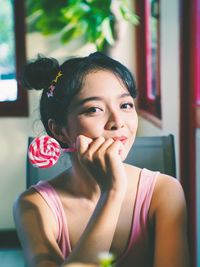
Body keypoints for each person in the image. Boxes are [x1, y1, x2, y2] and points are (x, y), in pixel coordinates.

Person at [13, 52, 190, 267]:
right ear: (59, 131)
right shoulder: (33, 206)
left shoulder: (165, 191)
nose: (117, 122)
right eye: (94, 109)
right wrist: (112, 192)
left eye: (125, 105)